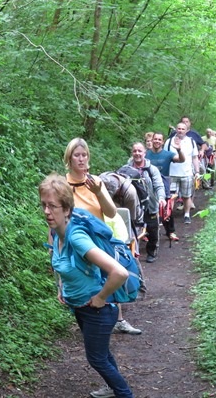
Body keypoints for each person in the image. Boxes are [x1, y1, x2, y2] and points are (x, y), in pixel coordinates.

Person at [39, 173, 134, 398]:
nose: (46, 212)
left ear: (67, 209)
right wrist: (62, 286)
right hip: (81, 307)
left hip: (97, 309)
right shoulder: (56, 231)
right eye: (43, 205)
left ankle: (124, 393)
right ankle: (115, 389)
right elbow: (62, 263)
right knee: (102, 355)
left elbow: (119, 273)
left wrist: (101, 297)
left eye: (52, 206)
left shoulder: (77, 238)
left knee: (97, 358)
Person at [62, 138, 141, 336]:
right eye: (77, 155)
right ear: (69, 158)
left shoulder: (96, 182)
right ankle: (89, 320)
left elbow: (111, 212)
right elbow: (57, 220)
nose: (81, 159)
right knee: (82, 279)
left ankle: (119, 320)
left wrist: (98, 192)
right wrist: (54, 245)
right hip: (76, 242)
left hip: (98, 239)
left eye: (84, 155)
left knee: (109, 275)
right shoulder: (62, 185)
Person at [127, 142, 166, 263]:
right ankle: (132, 254)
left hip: (150, 205)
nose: (137, 153)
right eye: (135, 151)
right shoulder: (126, 169)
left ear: (144, 153)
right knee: (133, 231)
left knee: (152, 230)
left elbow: (159, 185)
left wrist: (161, 198)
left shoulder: (151, 169)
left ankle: (152, 252)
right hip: (133, 206)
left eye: (139, 151)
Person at [146, 132, 184, 242]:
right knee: (147, 209)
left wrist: (179, 150)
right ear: (152, 140)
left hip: (164, 184)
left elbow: (181, 160)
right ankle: (147, 233)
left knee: (166, 209)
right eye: (155, 139)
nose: (157, 141)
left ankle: (170, 231)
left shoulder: (168, 154)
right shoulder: (146, 154)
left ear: (162, 142)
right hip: (148, 185)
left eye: (159, 139)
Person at [164, 122, 199, 225]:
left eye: (182, 129)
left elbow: (195, 157)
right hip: (172, 172)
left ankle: (187, 215)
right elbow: (165, 156)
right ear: (176, 129)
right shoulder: (169, 141)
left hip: (187, 173)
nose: (180, 130)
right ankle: (169, 215)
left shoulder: (191, 141)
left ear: (186, 130)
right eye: (178, 128)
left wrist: (197, 171)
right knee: (171, 196)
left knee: (186, 196)